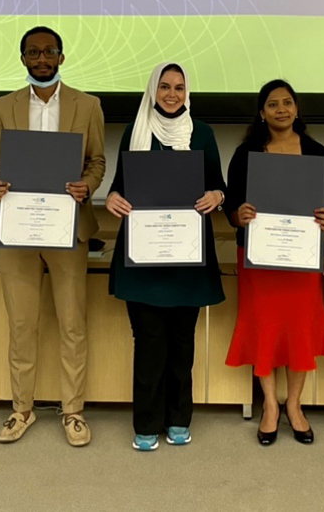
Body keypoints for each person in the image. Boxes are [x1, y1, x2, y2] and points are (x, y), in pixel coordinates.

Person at [0, 26, 106, 446]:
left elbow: (97, 162)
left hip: (68, 228)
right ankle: (22, 410)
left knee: (73, 323)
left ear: (61, 56)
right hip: (17, 229)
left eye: (49, 51)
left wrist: (87, 186)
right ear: (22, 59)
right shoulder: (3, 107)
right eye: (33, 52)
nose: (41, 58)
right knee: (22, 324)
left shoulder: (87, 105)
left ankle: (73, 411)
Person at [105, 62, 226, 451]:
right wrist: (111, 198)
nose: (172, 93)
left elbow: (218, 187)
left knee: (181, 343)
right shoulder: (134, 131)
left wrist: (216, 197)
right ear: (152, 90)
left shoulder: (202, 133)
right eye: (164, 87)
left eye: (178, 87)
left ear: (187, 92)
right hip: (144, 257)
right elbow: (119, 189)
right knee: (149, 342)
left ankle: (178, 418)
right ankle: (146, 422)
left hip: (187, 257)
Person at [224, 79, 324, 445]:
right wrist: (238, 214)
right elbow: (232, 206)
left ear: (297, 109)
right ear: (262, 112)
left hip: (302, 259)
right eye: (273, 104)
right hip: (260, 260)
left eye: (288, 102)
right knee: (266, 327)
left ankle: (295, 405)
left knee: (300, 328)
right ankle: (271, 405)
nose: (282, 109)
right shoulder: (246, 154)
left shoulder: (318, 154)